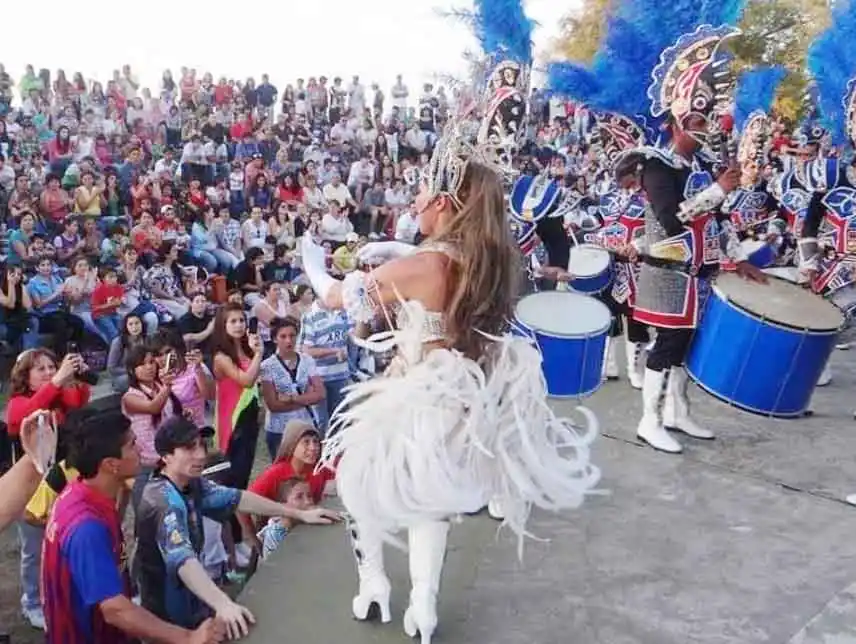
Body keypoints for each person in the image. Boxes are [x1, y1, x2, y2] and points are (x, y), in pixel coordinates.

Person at [296, 24, 600, 642]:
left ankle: (375, 586)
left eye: (427, 191)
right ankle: (425, 606)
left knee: (360, 487)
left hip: (412, 395)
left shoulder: (427, 263)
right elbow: (426, 272)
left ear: (446, 201)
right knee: (430, 503)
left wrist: (311, 262)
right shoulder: (489, 257)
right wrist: (394, 252)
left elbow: (342, 299)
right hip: (463, 400)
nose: (418, 197)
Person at [135, 416, 338, 638]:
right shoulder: (162, 500)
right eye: (189, 449)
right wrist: (223, 604)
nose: (201, 455)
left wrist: (299, 513)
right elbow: (182, 560)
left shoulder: (192, 483)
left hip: (193, 599)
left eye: (201, 445)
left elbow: (238, 498)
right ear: (166, 457)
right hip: (167, 613)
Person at [41, 407, 225, 644]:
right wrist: (189, 637)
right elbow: (115, 610)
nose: (139, 449)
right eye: (132, 445)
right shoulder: (86, 527)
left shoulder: (79, 491)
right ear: (111, 464)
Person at [211, 303, 263, 490]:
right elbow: (247, 380)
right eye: (233, 321)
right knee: (234, 473)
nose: (239, 325)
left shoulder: (246, 348)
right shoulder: (221, 357)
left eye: (241, 320)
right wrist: (259, 354)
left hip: (250, 414)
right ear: (223, 325)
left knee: (246, 470)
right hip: (233, 420)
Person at [259, 318, 325, 458]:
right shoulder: (267, 366)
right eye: (283, 336)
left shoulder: (307, 360)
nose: (289, 340)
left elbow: (320, 394)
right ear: (275, 339)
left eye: (292, 335)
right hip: (279, 429)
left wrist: (291, 399)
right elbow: (273, 405)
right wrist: (307, 398)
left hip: (305, 425)